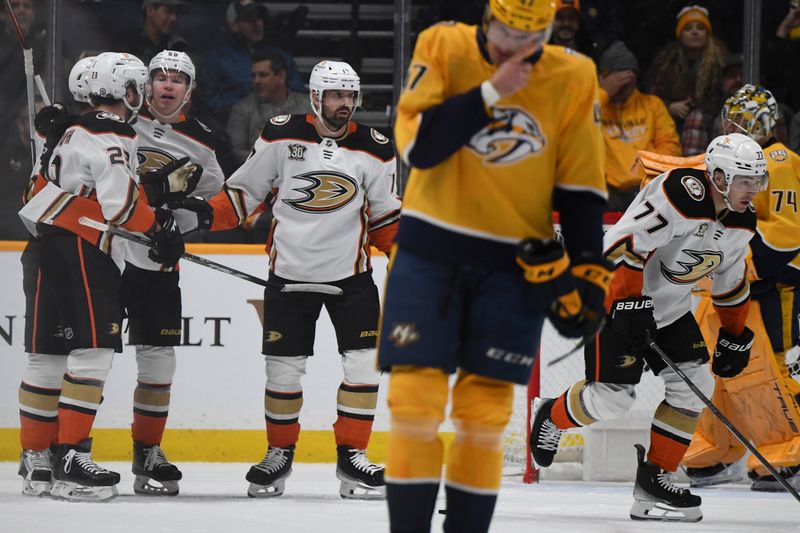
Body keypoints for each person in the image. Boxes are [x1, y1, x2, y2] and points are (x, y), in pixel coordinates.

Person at [376, 1, 611, 531]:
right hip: (428, 253)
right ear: (487, 20)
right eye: (506, 30)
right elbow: (424, 148)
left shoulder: (573, 74)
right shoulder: (443, 44)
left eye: (531, 36)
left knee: (484, 419)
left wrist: (592, 275)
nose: (515, 44)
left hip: (512, 266)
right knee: (414, 406)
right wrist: (491, 92)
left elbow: (580, 189)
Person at [179, 60, 400, 499]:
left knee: (362, 368)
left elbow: (386, 219)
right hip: (290, 275)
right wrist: (192, 216)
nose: (344, 105)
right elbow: (244, 195)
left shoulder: (376, 148)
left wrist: (408, 263)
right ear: (316, 97)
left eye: (350, 96)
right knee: (283, 372)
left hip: (351, 279)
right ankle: (278, 453)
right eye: (336, 96)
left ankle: (352, 459)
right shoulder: (280, 134)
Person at [530, 132, 768, 522]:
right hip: (615, 296)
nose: (752, 190)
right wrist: (628, 299)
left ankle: (656, 476)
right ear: (720, 177)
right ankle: (550, 416)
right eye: (745, 180)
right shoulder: (681, 193)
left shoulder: (742, 221)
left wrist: (735, 335)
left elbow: (731, 280)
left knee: (694, 387)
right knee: (613, 398)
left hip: (669, 312)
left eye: (757, 181)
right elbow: (624, 243)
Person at [15, 51, 185, 502]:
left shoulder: (62, 132)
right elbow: (121, 207)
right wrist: (159, 230)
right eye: (135, 86)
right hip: (82, 250)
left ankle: (37, 459)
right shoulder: (113, 132)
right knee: (91, 351)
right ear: (118, 91)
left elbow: (30, 197)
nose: (141, 95)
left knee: (47, 356)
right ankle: (71, 456)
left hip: (42, 247)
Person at [682, 84, 800, 492]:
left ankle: (790, 446)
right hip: (729, 285)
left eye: (739, 117)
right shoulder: (736, 161)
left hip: (767, 287)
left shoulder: (776, 162)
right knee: (718, 370)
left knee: (766, 372)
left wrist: (749, 258)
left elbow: (787, 233)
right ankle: (719, 446)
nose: (731, 125)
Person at [119, 49, 223, 496]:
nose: (167, 84)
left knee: (159, 360)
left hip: (156, 261)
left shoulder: (202, 142)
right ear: (144, 84)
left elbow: (213, 198)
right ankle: (66, 448)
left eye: (177, 79)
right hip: (105, 253)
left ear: (189, 90)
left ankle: (147, 452)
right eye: (159, 76)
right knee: (89, 354)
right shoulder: (117, 123)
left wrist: (179, 224)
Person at [597, 41, 680, 211]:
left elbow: (671, 147)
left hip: (646, 187)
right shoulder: (593, 106)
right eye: (617, 79)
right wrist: (604, 93)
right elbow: (573, 129)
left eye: (628, 80)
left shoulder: (652, 105)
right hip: (604, 190)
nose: (622, 86)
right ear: (602, 78)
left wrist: (645, 173)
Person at [201, 0, 303, 124]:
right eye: (249, 19)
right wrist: (245, 99)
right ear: (234, 25)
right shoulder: (216, 58)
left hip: (278, 128)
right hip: (230, 128)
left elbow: (298, 97)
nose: (257, 24)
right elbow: (207, 103)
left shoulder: (281, 57)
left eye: (259, 17)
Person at [646, 5, 727, 134]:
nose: (695, 32)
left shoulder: (722, 62)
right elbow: (650, 97)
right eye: (688, 28)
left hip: (709, 124)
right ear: (680, 35)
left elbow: (724, 98)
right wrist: (670, 106)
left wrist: (697, 109)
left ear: (707, 34)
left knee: (695, 119)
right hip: (669, 121)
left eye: (700, 28)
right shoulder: (665, 63)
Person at [226, 50, 310, 166]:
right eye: (253, 75)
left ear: (281, 76)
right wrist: (271, 164)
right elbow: (236, 152)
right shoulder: (242, 109)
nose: (256, 81)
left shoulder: (309, 106)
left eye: (263, 75)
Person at [680, 52, 743, 156]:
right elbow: (692, 165)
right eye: (732, 75)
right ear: (721, 80)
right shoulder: (701, 115)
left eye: (744, 75)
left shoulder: (766, 114)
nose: (738, 79)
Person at [0, 0, 46, 133]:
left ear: (34, 13)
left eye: (27, 6)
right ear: (2, 14)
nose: (22, 10)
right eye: (15, 6)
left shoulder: (47, 46)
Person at [124, 1, 190, 66]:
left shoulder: (179, 47)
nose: (173, 18)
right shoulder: (126, 45)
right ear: (150, 11)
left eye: (175, 13)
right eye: (168, 11)